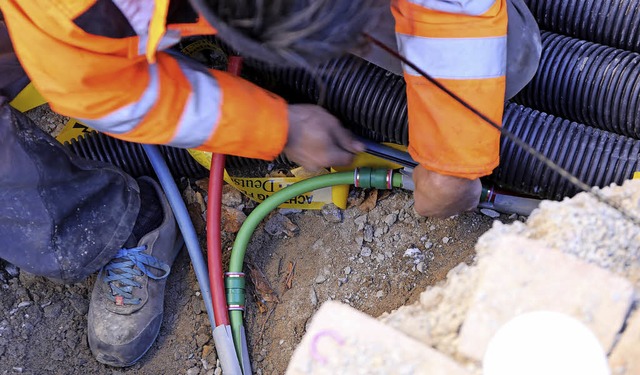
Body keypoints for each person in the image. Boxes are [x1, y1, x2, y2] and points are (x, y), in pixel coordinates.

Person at [0, 0, 541, 368]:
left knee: (509, 59)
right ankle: (111, 225)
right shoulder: (72, 15)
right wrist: (275, 126)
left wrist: (455, 153)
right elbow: (101, 89)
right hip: (64, 27)